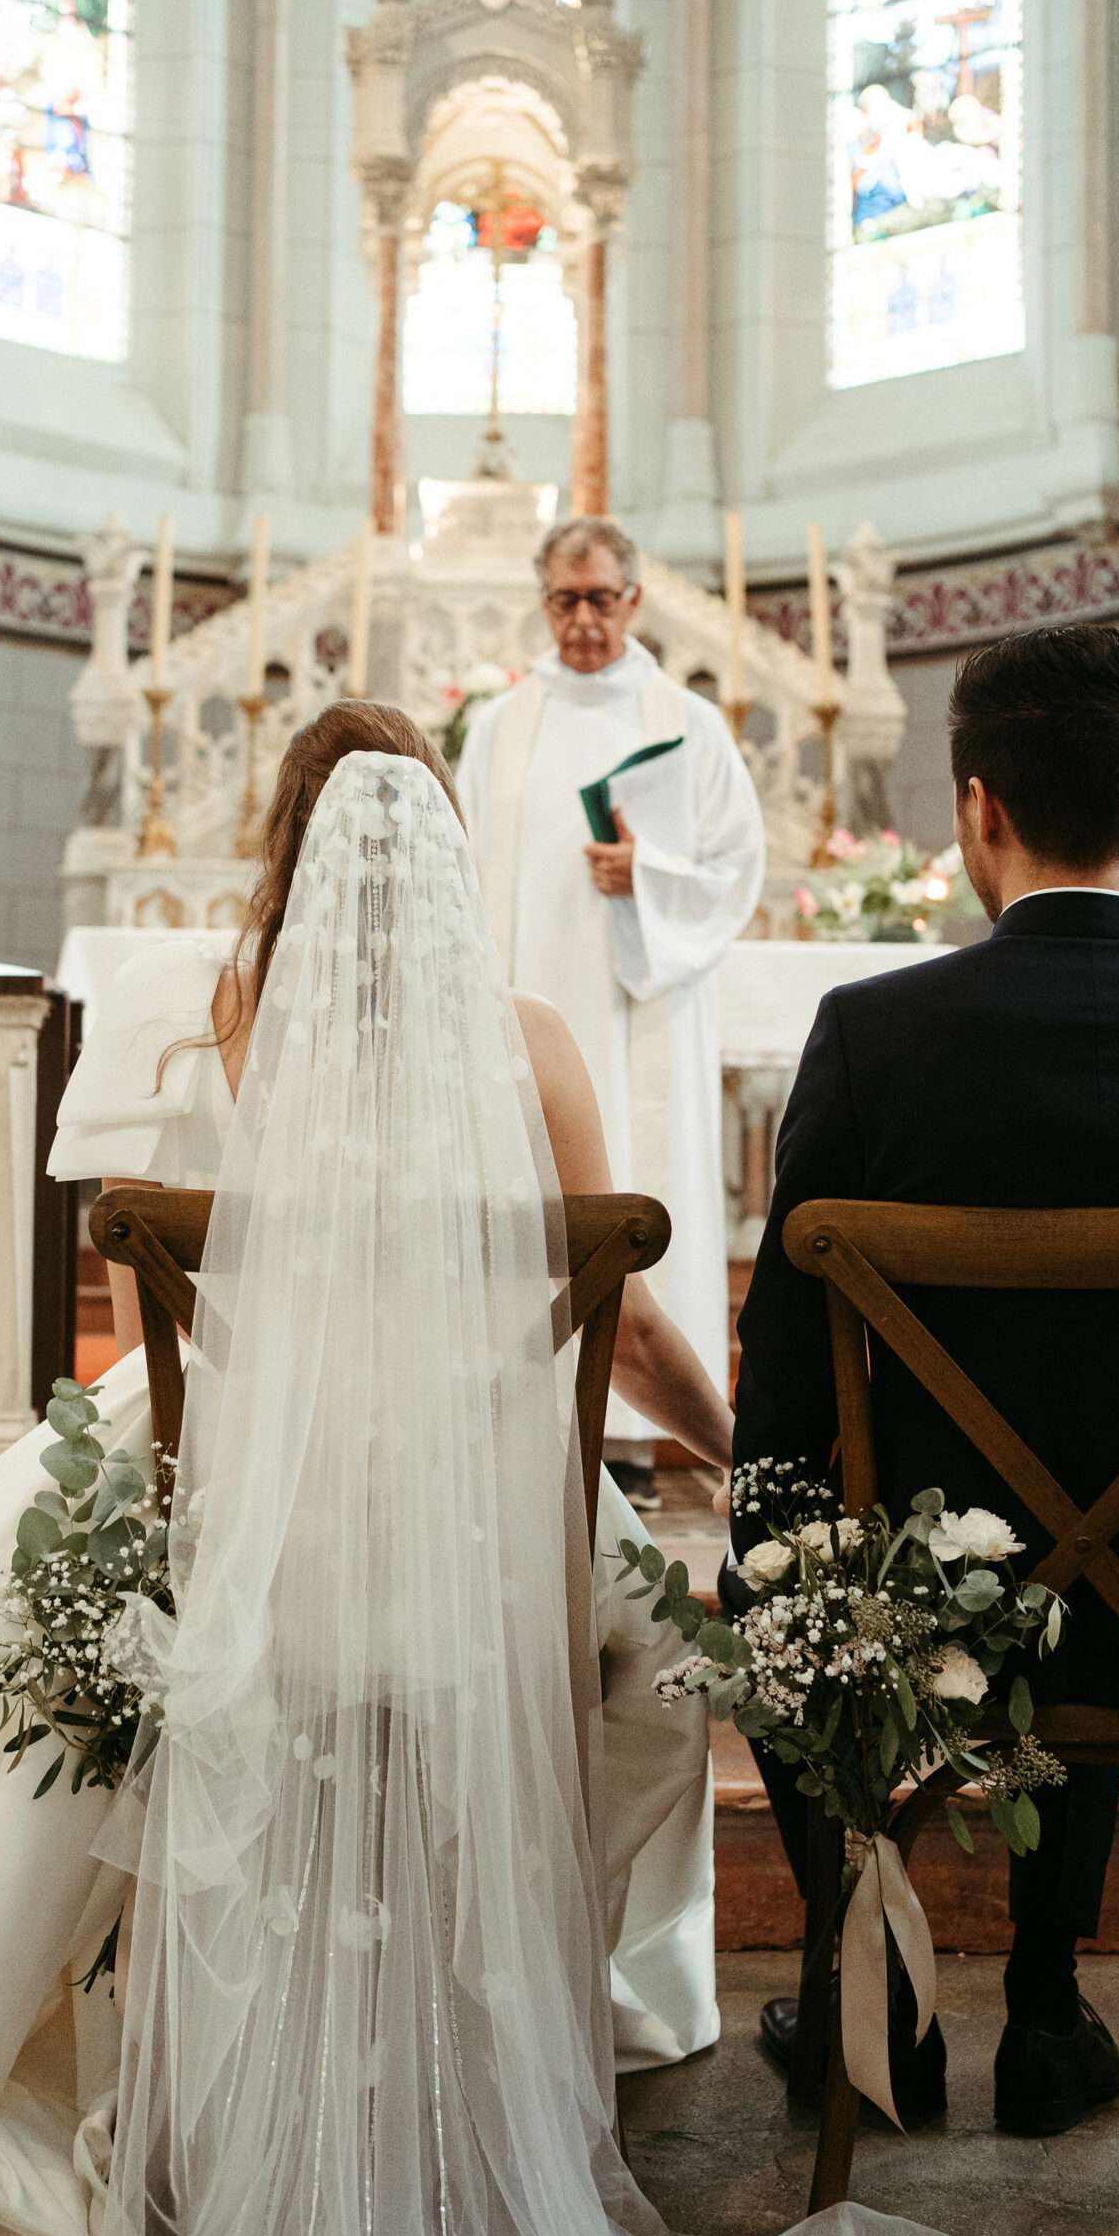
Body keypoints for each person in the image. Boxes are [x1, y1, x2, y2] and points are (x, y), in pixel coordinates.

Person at [0, 703, 1084, 2236]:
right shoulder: (533, 1043)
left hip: (243, 1492)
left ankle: (114, 2030)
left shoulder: (221, 1021)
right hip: (484, 1516)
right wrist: (740, 1463)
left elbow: (178, 1307)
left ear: (291, 857)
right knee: (656, 1680)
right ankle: (515, 2022)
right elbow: (622, 1323)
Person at [723, 623, 1119, 2139]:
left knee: (763, 1577)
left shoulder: (871, 1040)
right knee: (1088, 1553)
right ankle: (1046, 2015)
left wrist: (785, 1557)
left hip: (929, 1613)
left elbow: (784, 1393)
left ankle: (880, 2003)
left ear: (975, 809)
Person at [459, 517, 765, 1509]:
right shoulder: (501, 725)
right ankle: (528, 1413)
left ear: (633, 599)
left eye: (600, 597)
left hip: (645, 1012)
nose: (583, 618)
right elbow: (458, 866)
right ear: (542, 602)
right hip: (523, 1016)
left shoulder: (689, 723)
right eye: (565, 599)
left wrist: (651, 874)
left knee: (638, 1179)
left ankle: (636, 1436)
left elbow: (738, 867)